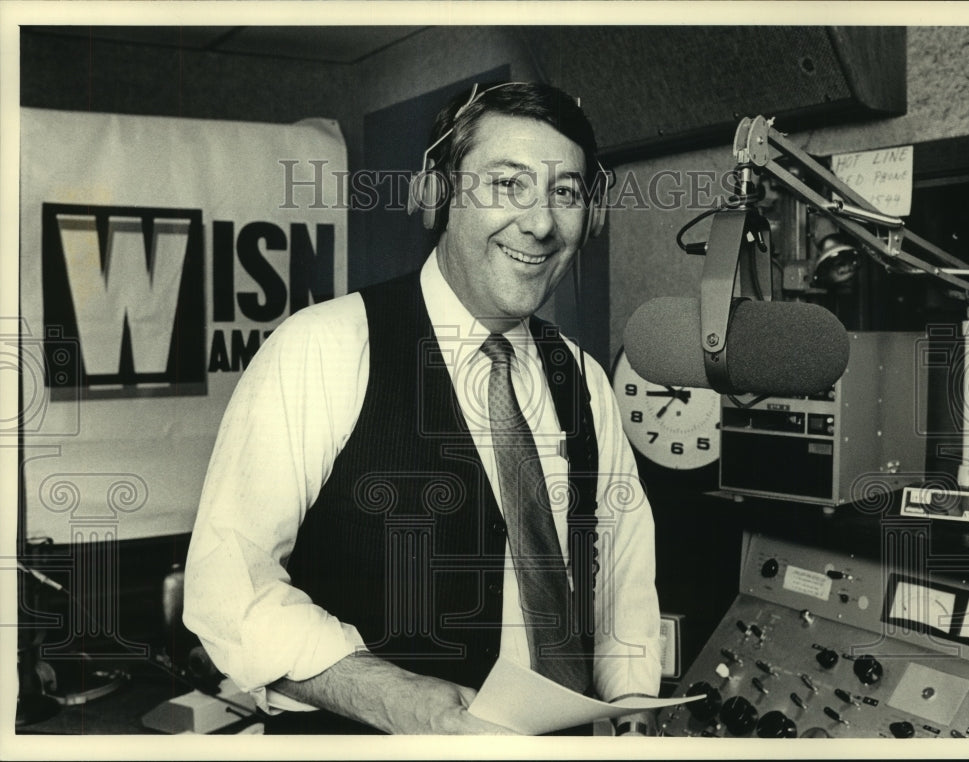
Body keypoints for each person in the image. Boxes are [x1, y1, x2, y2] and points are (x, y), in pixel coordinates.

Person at [183, 81, 661, 736]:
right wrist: (396, 699)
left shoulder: (583, 378)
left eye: (567, 193)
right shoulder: (320, 349)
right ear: (438, 195)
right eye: (508, 184)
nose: (542, 224)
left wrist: (633, 711)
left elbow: (622, 587)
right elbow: (228, 587)